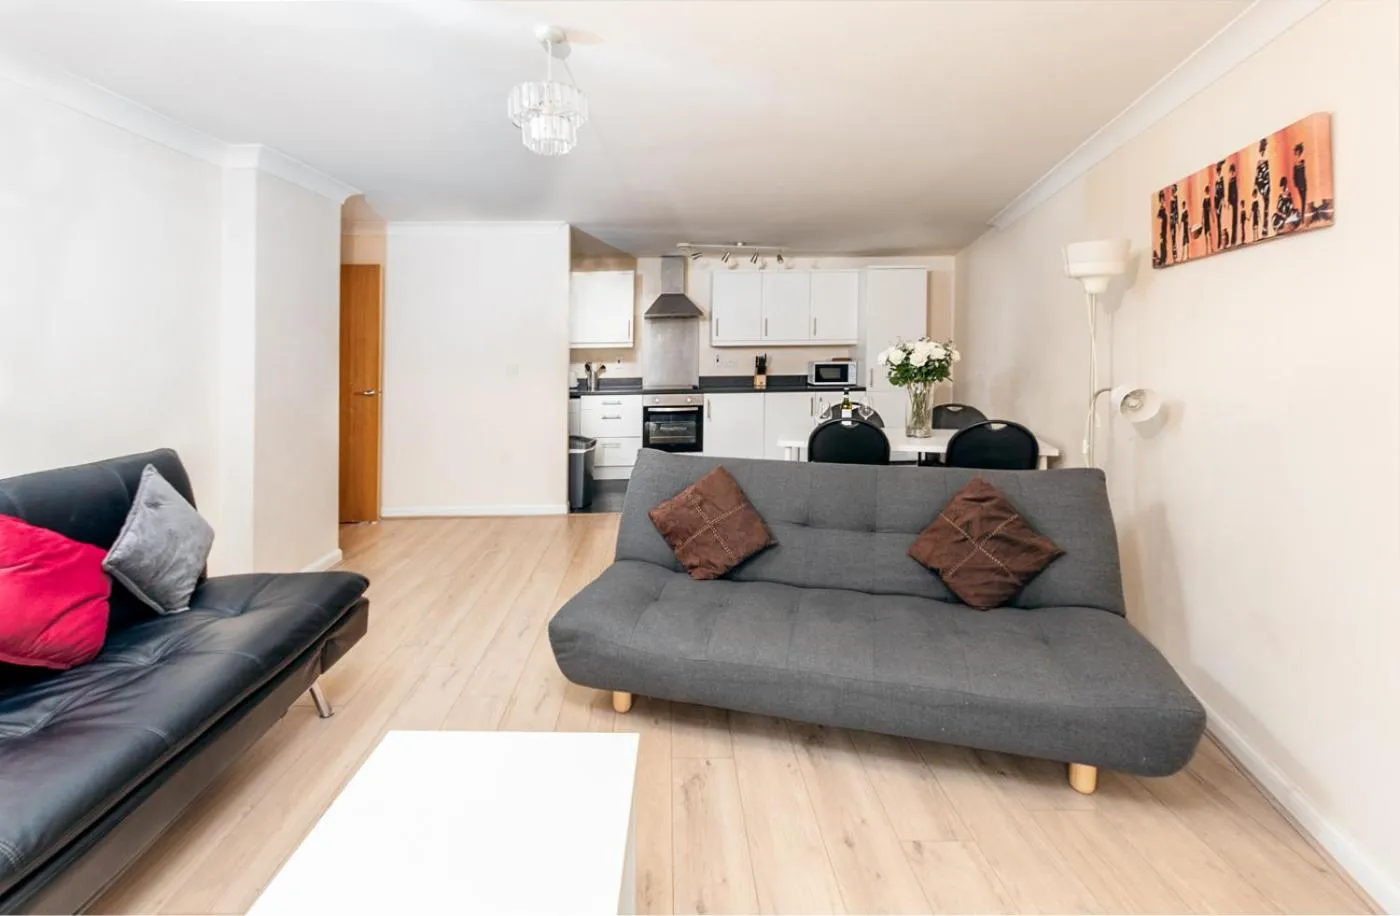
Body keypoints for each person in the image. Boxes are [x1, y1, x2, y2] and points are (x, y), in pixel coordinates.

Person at [1254, 137, 1272, 237]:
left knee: (1265, 207)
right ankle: (1264, 229)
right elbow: (1258, 174)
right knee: (1264, 207)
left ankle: (1264, 229)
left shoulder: (1262, 158)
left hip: (1264, 185)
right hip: (1264, 185)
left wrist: (1256, 184)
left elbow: (1257, 175)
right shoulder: (1264, 158)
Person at [1293, 142, 1308, 224]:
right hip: (1299, 184)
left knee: (1303, 200)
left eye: (1297, 151)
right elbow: (1295, 174)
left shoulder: (1301, 160)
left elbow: (1301, 173)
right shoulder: (1296, 161)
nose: (1296, 152)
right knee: (1302, 200)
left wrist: (1300, 184)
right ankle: (1302, 217)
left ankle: (1303, 217)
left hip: (1302, 184)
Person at [1212, 161, 1226, 248]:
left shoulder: (1221, 181)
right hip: (1217, 202)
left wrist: (1219, 207)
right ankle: (1219, 242)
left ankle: (1222, 242)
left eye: (1219, 171)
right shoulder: (1217, 182)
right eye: (1217, 171)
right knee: (1218, 223)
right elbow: (1216, 196)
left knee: (1221, 222)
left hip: (1220, 203)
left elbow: (1222, 196)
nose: (1218, 173)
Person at [1227, 163, 1241, 246]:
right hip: (1232, 201)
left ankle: (1234, 238)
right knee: (1232, 220)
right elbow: (1229, 192)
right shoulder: (1230, 181)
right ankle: (1232, 239)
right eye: (1231, 172)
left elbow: (1236, 191)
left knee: (1235, 220)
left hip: (1235, 201)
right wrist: (1229, 202)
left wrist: (1235, 201)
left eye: (1232, 171)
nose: (1232, 173)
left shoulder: (1235, 180)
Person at [1168, 184, 1180, 262]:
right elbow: (1170, 211)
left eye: (1174, 190)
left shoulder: (1176, 198)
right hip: (1171, 220)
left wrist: (1177, 220)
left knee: (1174, 236)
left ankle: (1175, 253)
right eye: (1172, 190)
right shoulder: (1171, 199)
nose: (1173, 191)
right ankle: (1173, 253)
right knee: (1172, 236)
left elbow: (1177, 210)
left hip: (1174, 220)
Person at [1156, 190, 1168, 266]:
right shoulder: (1161, 209)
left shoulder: (1163, 209)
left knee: (1163, 243)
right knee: (1162, 243)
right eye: (1162, 199)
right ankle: (1162, 259)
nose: (1163, 200)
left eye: (1163, 198)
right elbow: (1159, 219)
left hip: (1164, 229)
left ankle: (1163, 258)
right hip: (1162, 229)